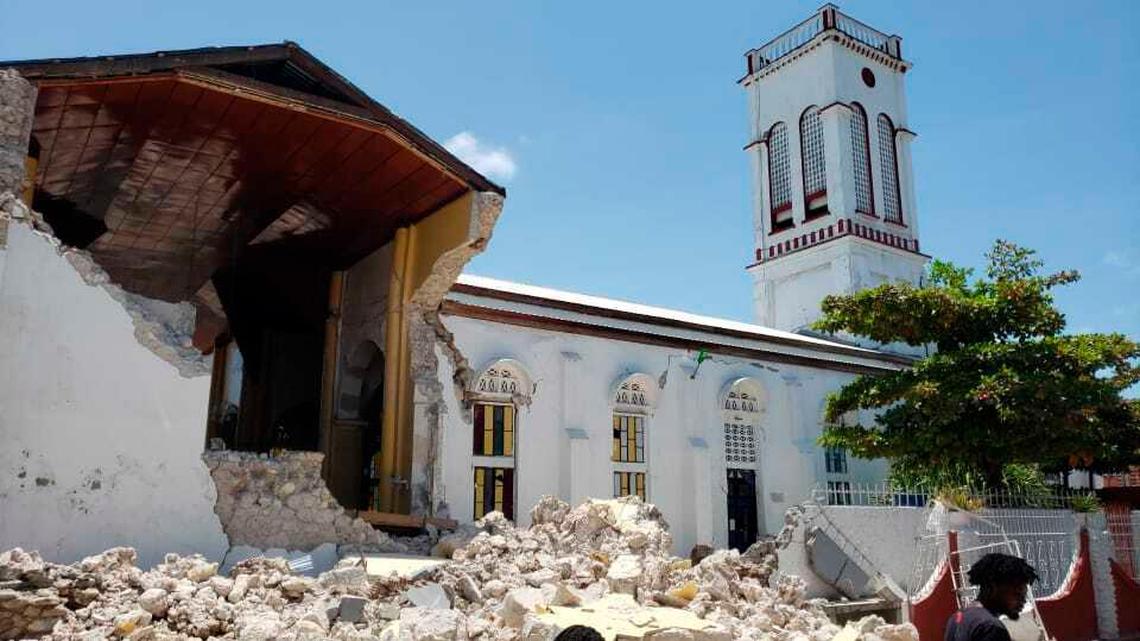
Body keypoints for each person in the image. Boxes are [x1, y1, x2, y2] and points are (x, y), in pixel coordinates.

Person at [945, 553, 1040, 641]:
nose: (1023, 600)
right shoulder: (991, 628)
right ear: (993, 587)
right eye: (1017, 594)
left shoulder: (958, 617)